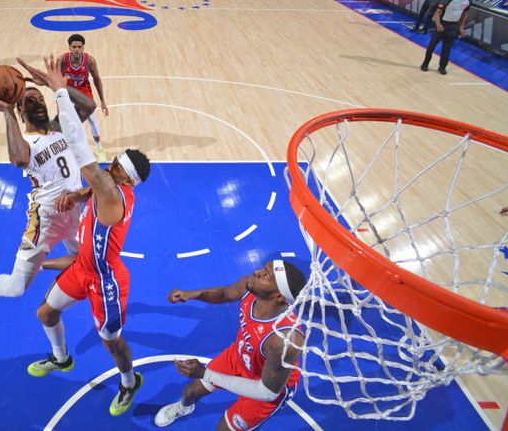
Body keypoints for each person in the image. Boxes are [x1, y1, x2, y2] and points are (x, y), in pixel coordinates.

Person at [16, 54, 150, 417]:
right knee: (46, 312)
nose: (113, 162)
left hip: (106, 280)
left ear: (124, 178)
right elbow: (91, 186)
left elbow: (80, 147)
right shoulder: (104, 190)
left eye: (117, 164)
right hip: (83, 267)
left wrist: (60, 90)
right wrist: (77, 195)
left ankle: (128, 381)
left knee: (111, 340)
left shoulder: (110, 192)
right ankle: (61, 359)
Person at [0, 76, 96, 318]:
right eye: (30, 101)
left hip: (76, 211)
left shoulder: (60, 128)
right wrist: (6, 112)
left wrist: (56, 86)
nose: (39, 103)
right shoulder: (26, 144)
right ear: (21, 111)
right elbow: (19, 159)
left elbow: (88, 106)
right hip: (46, 220)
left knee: (89, 261)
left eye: (41, 99)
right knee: (17, 288)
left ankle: (44, 265)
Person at [154, 261, 307, 430]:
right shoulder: (250, 286)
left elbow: (267, 392)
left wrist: (207, 374)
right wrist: (193, 294)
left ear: (278, 296)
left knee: (223, 429)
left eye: (266, 275)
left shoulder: (284, 339)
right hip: (240, 355)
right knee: (191, 391)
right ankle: (183, 408)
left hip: (266, 386)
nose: (257, 272)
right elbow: (225, 294)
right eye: (263, 269)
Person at [61, 34, 109, 162]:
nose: (76, 49)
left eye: (79, 47)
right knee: (65, 122)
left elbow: (97, 80)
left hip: (84, 90)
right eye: (74, 46)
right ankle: (66, 149)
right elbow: (56, 80)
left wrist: (103, 101)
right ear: (69, 47)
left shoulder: (90, 61)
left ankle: (99, 149)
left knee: (92, 119)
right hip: (68, 91)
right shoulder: (62, 60)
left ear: (83, 48)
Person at [420, 0, 471, 75]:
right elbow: (437, 12)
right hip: (442, 24)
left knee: (447, 49)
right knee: (432, 46)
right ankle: (425, 63)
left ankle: (442, 67)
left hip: (453, 27)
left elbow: (465, 14)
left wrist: (461, 28)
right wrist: (438, 24)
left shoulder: (467, 1)